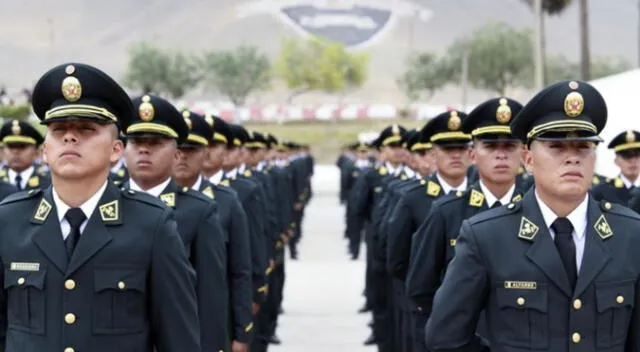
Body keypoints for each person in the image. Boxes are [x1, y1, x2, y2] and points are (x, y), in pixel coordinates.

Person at [425, 80, 640, 351]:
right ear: (527, 158)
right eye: (557, 147)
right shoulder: (486, 236)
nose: (572, 158)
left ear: (594, 157)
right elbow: (446, 339)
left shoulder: (630, 234)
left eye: (583, 147)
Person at [0, 62, 200, 351]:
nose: (70, 137)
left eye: (86, 128)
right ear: (45, 150)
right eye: (58, 130)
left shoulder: (151, 225)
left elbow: (178, 339)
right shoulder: (9, 220)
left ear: (116, 150)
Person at [123, 95, 228, 352]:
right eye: (136, 142)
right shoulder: (106, 207)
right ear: (122, 148)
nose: (144, 150)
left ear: (176, 153)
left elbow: (209, 297)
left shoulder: (199, 211)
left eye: (155, 143)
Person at [173, 111, 253, 352]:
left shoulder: (226, 202)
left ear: (204, 153)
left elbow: (239, 271)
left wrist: (242, 331)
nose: (182, 157)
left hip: (210, 322)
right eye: (179, 149)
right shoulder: (145, 203)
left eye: (192, 150)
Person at [591, 129, 640, 205]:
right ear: (616, 160)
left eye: (637, 155)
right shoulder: (603, 191)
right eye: (626, 156)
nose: (633, 161)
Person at [0, 120, 51, 191]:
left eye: (22, 146)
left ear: (35, 151)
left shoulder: (50, 183)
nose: (15, 151)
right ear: (3, 150)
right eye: (11, 146)